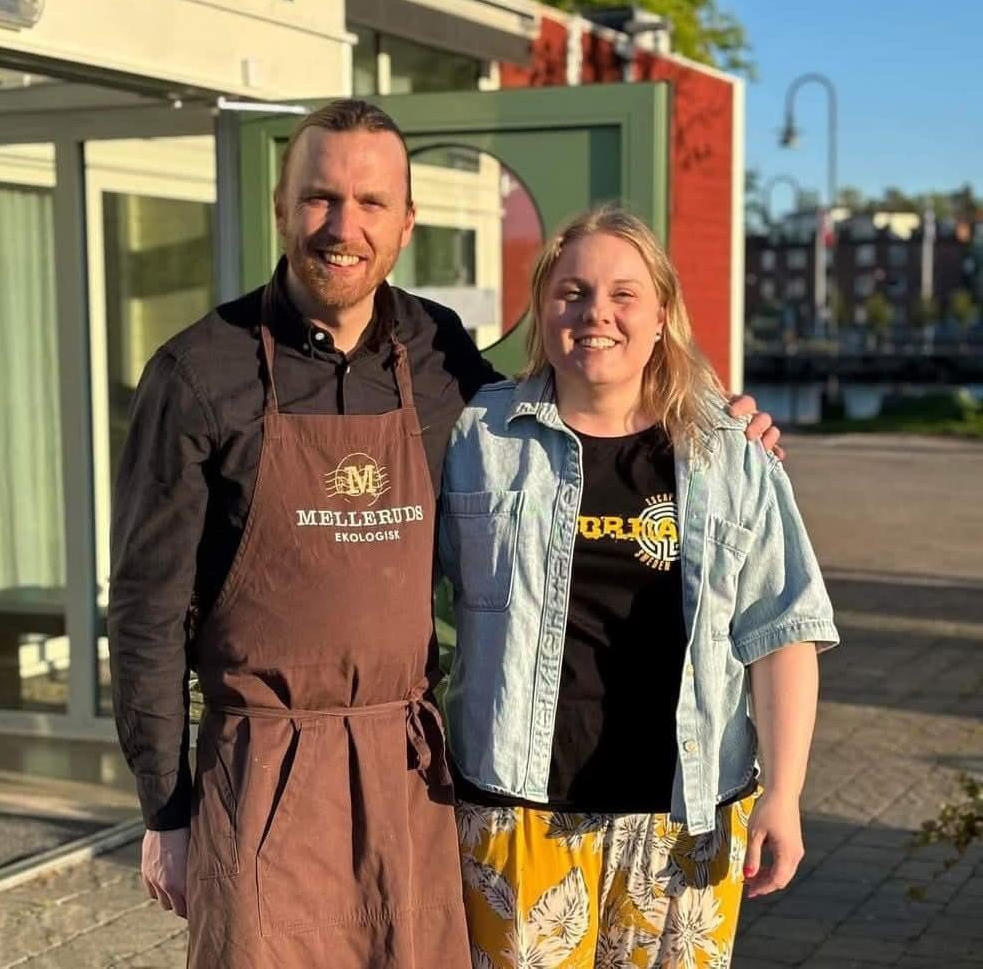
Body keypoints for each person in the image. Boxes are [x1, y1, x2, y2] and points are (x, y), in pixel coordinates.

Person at [108, 99, 782, 968]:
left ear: (406, 222)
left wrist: (716, 422)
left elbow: (570, 403)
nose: (343, 227)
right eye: (319, 198)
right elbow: (146, 612)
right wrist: (165, 812)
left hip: (411, 776)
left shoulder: (438, 351)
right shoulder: (198, 374)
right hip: (260, 769)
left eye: (371, 202)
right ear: (281, 207)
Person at [438, 206, 838, 968]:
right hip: (517, 810)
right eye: (572, 292)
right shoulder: (477, 438)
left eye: (624, 294)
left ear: (661, 315)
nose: (596, 313)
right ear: (543, 308)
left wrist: (784, 795)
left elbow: (782, 631)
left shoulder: (730, 452)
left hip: (688, 819)